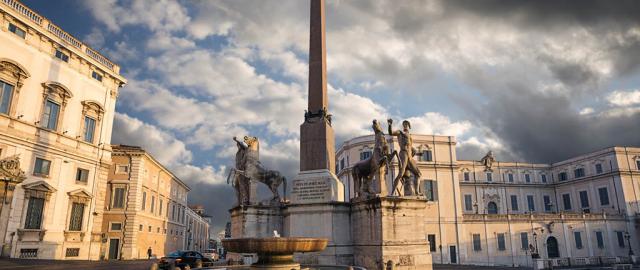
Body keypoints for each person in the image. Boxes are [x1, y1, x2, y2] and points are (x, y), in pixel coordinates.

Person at [388, 119, 422, 196]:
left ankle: (417, 192)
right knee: (401, 174)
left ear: (409, 127)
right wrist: (390, 125)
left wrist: (419, 153)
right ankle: (392, 193)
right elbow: (391, 133)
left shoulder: (410, 136)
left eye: (406, 124)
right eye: (404, 124)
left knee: (418, 174)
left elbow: (411, 148)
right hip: (403, 154)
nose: (405, 125)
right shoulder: (400, 133)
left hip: (409, 157)